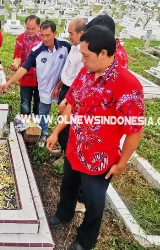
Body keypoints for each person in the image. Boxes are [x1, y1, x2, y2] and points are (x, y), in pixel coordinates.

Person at [46, 25, 145, 250]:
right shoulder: (85, 73)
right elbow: (72, 104)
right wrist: (56, 132)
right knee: (68, 186)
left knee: (94, 202)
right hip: (74, 147)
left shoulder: (127, 85)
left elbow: (135, 130)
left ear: (103, 53)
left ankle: (84, 241)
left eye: (86, 55)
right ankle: (63, 214)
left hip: (99, 158)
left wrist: (121, 164)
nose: (82, 60)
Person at [0, 20, 70, 146]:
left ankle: (63, 141)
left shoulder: (65, 46)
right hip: (45, 88)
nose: (45, 38)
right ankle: (43, 134)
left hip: (62, 87)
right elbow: (23, 68)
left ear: (55, 33)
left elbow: (69, 67)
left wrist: (58, 86)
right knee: (43, 113)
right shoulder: (36, 51)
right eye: (42, 35)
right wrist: (8, 83)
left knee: (64, 114)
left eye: (48, 35)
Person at [52, 18, 87, 213]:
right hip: (66, 90)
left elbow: (80, 80)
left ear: (81, 33)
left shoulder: (85, 53)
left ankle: (70, 160)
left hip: (73, 95)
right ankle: (67, 156)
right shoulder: (74, 48)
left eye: (72, 33)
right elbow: (67, 71)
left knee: (69, 132)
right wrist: (59, 86)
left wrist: (68, 100)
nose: (69, 35)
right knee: (63, 130)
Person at [11, 15, 42, 116]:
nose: (30, 31)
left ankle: (37, 128)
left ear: (39, 26)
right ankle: (25, 127)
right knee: (25, 104)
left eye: (33, 28)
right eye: (28, 28)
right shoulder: (21, 39)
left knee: (39, 105)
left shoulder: (43, 38)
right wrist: (16, 64)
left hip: (41, 78)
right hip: (25, 77)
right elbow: (18, 55)